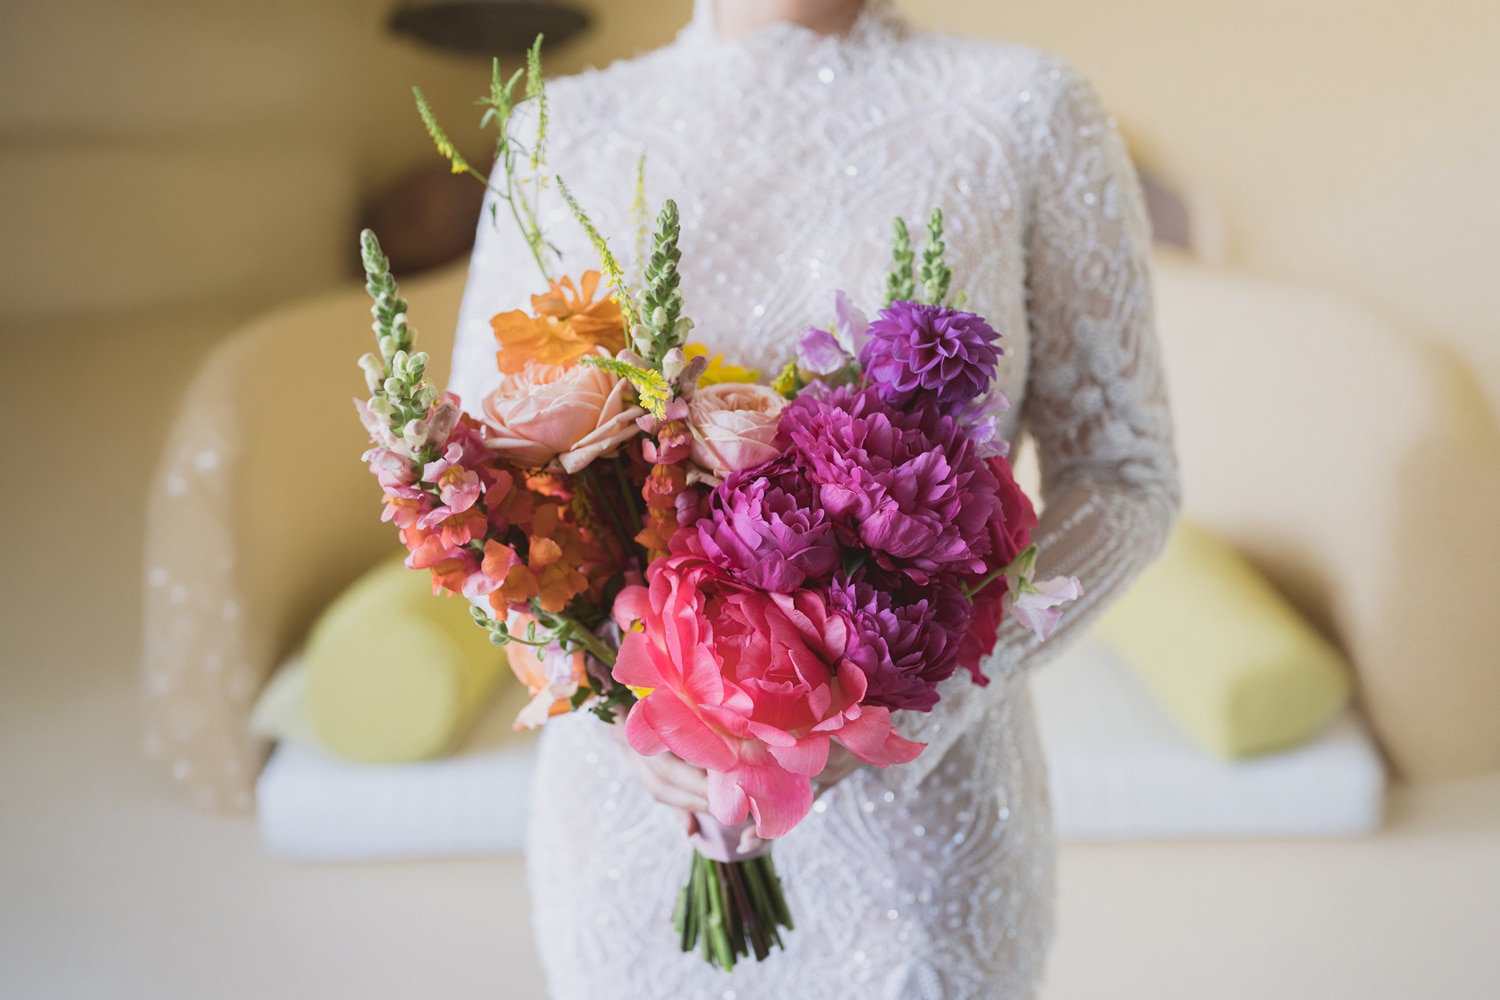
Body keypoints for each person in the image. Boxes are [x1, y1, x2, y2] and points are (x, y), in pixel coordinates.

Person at [449, 1, 1180, 996]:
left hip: (916, 853)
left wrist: (909, 704)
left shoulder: (1025, 109)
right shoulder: (558, 127)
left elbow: (1125, 473)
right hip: (635, 827)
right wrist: (626, 713)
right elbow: (474, 497)